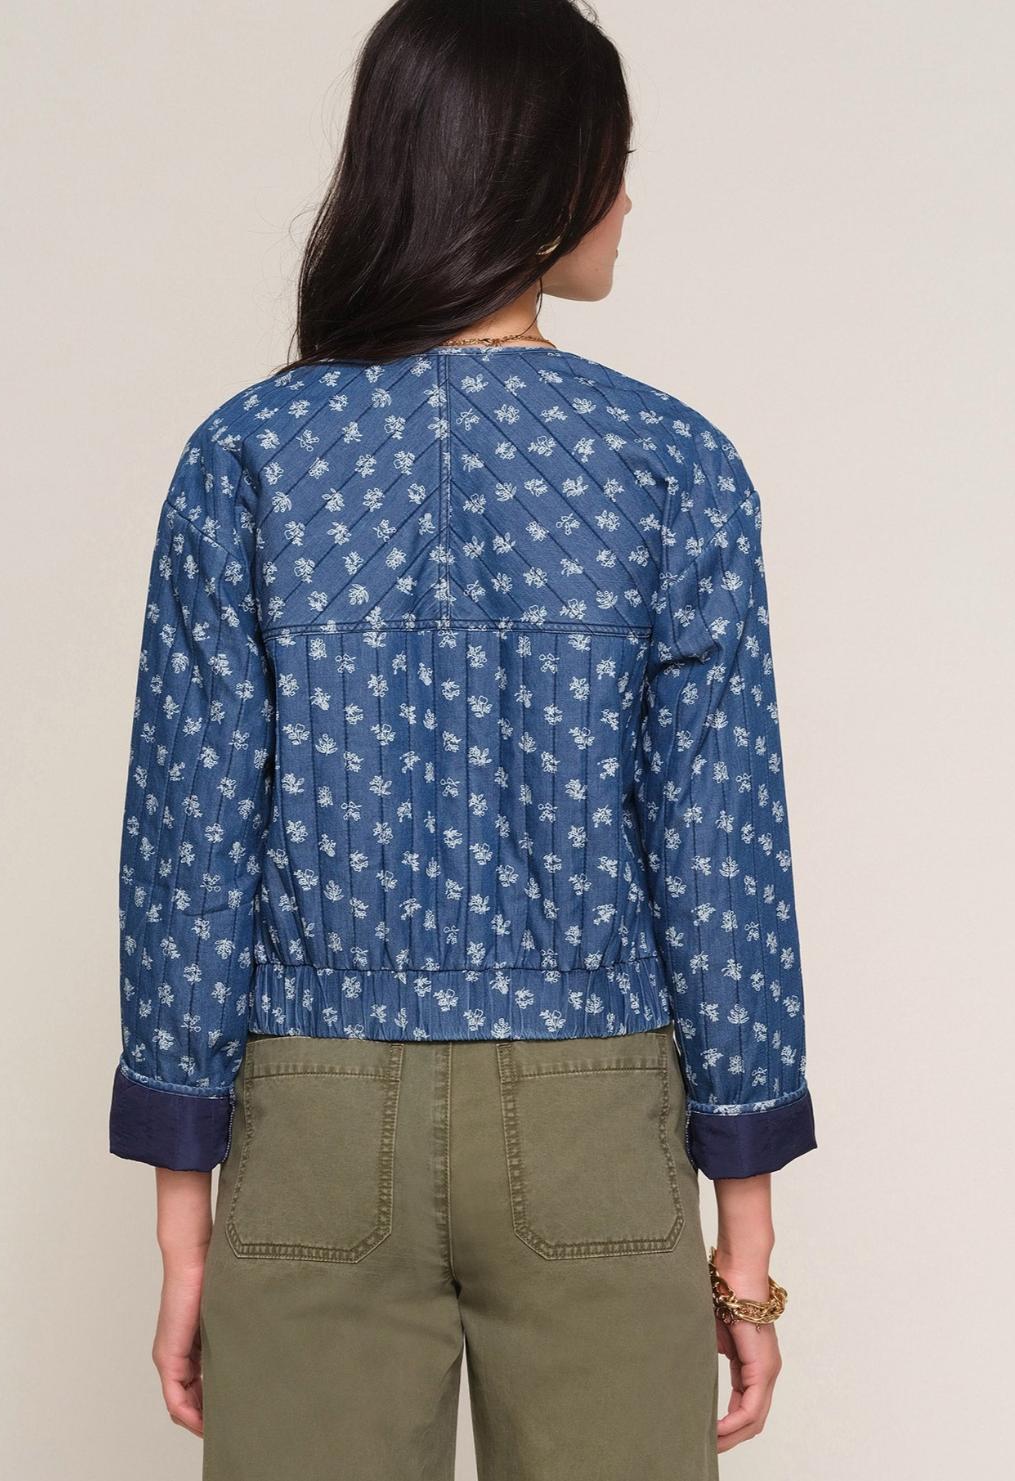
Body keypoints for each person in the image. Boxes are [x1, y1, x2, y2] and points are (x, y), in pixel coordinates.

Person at [108, 2, 817, 1476]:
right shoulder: (671, 462)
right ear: (541, 180)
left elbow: (190, 852)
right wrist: (745, 1246)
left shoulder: (248, 453)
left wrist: (186, 1227)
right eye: (614, 164)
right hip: (594, 1124)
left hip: (308, 1126)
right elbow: (720, 859)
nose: (628, 201)